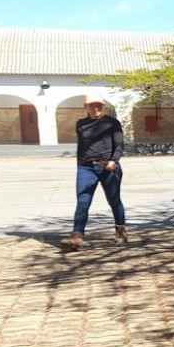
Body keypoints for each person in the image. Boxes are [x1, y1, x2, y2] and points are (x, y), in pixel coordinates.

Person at [60, 93, 127, 250]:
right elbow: (81, 147)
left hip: (108, 167)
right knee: (83, 201)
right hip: (86, 167)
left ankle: (121, 230)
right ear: (86, 107)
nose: (95, 107)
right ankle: (77, 236)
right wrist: (79, 167)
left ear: (103, 106)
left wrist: (114, 160)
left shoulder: (112, 123)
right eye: (91, 105)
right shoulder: (81, 124)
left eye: (99, 105)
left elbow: (119, 145)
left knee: (114, 200)